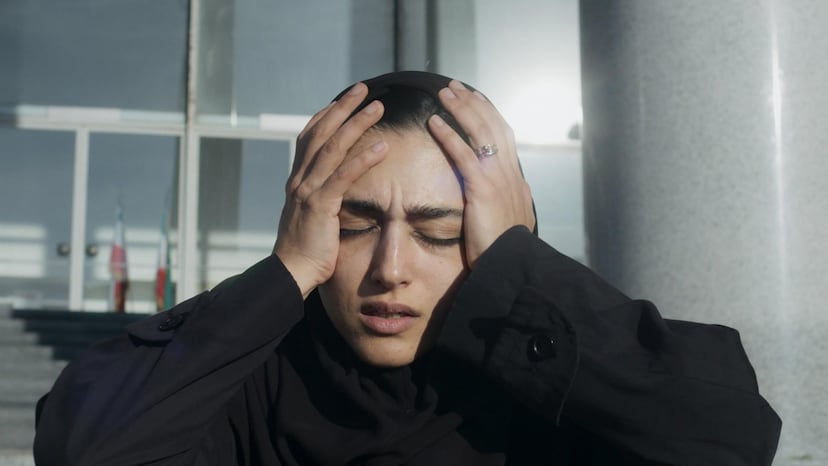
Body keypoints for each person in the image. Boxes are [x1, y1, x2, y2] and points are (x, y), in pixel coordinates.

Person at [33, 71, 781, 465]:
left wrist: (524, 272)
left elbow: (728, 436)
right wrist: (285, 272)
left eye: (439, 233)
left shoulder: (555, 397)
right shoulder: (250, 389)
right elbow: (89, 451)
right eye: (354, 225)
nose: (390, 268)